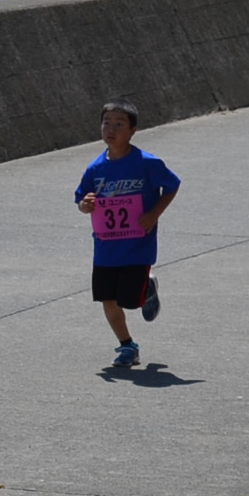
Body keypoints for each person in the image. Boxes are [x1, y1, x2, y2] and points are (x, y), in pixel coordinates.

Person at [76, 99, 180, 369]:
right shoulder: (95, 168)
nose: (111, 128)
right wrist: (85, 205)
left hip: (137, 244)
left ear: (133, 130)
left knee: (130, 301)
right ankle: (127, 346)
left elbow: (172, 185)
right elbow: (82, 200)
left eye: (119, 124)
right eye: (106, 122)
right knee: (108, 300)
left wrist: (154, 214)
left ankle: (147, 288)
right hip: (106, 247)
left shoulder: (147, 163)